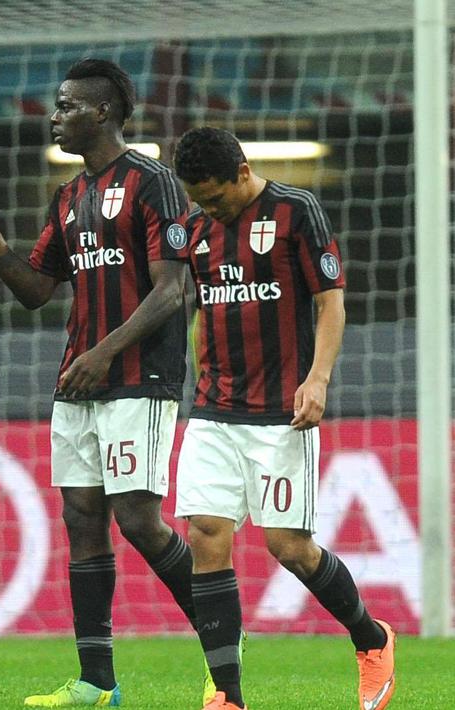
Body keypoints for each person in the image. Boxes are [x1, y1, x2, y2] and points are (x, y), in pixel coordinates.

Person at [0, 59, 197, 707]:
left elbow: (172, 289)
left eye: (66, 105)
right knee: (81, 518)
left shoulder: (153, 182)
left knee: (137, 518)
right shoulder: (68, 196)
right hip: (80, 379)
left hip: (136, 375)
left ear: (102, 112)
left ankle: (221, 623)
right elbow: (35, 290)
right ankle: (95, 682)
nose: (54, 116)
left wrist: (104, 353)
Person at [172, 126, 396, 710]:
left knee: (289, 548)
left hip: (281, 413)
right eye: (198, 200)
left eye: (216, 197)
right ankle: (227, 695)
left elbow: (331, 301)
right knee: (206, 535)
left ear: (243, 172)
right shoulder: (196, 227)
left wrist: (317, 379)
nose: (209, 209)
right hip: (213, 408)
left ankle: (371, 639)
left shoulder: (296, 211)